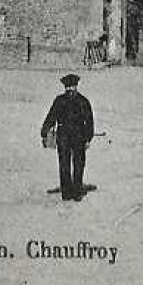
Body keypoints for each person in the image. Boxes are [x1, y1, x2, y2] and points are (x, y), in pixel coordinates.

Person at [40, 73, 95, 202]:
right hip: (63, 136)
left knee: (78, 164)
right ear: (65, 88)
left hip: (79, 136)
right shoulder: (59, 101)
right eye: (68, 88)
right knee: (64, 164)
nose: (70, 90)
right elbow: (51, 116)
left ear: (76, 86)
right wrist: (44, 131)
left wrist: (88, 138)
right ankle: (66, 192)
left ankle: (77, 192)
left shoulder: (83, 101)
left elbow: (89, 121)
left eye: (72, 87)